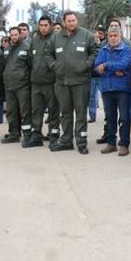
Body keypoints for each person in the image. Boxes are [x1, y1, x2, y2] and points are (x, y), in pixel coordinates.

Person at [47, 11, 98, 155]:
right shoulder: (56, 38)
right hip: (62, 82)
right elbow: (47, 54)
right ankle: (66, 141)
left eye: (73, 20)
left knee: (81, 113)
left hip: (81, 82)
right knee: (65, 113)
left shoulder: (86, 35)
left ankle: (81, 142)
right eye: (68, 21)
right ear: (64, 22)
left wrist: (86, 65)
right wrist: (54, 66)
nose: (71, 23)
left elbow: (95, 51)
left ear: (77, 21)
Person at [94, 27, 131, 155]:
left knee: (124, 117)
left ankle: (124, 144)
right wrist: (114, 69)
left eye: (115, 35)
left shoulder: (126, 50)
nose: (113, 38)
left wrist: (106, 66)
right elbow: (96, 66)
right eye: (110, 36)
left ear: (120, 36)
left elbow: (124, 64)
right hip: (106, 88)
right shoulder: (102, 50)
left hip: (122, 88)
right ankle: (111, 143)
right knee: (110, 117)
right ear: (107, 36)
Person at [28, 16, 59, 148]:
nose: (43, 28)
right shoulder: (34, 39)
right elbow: (30, 59)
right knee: (36, 110)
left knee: (53, 110)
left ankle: (53, 136)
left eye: (46, 25)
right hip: (36, 82)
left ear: (50, 25)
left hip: (51, 82)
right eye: (41, 25)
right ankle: (36, 136)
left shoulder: (56, 38)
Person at [1, 27, 32, 145]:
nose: (13, 37)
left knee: (25, 111)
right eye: (12, 35)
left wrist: (26, 79)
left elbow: (30, 65)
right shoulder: (7, 48)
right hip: (9, 85)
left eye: (16, 34)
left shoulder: (26, 47)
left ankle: (27, 134)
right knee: (11, 111)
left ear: (20, 35)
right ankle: (14, 133)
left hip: (22, 85)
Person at [88, 26, 106, 123]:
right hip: (91, 76)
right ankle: (92, 116)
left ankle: (107, 115)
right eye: (94, 38)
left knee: (104, 96)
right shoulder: (89, 49)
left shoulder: (103, 49)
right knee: (91, 97)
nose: (96, 39)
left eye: (97, 38)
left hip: (101, 76)